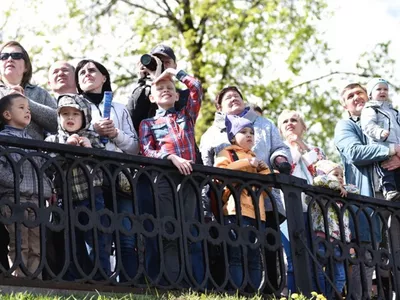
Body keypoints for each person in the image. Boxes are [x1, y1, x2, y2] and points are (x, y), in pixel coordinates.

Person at [200, 86, 291, 290]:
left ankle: (267, 291)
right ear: (219, 107)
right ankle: (236, 289)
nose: (234, 98)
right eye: (228, 97)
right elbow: (208, 168)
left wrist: (278, 161)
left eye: (237, 96)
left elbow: (280, 148)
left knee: (263, 250)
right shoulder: (211, 135)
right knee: (234, 250)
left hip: (263, 204)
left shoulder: (264, 124)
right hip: (230, 204)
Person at [75, 59, 139, 281]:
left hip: (119, 175)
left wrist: (115, 134)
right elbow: (67, 135)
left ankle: (130, 284)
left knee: (126, 234)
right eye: (81, 72)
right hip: (89, 176)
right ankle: (99, 282)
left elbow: (134, 148)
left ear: (104, 77)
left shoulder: (120, 108)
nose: (87, 74)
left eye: (92, 70)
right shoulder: (73, 106)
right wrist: (93, 129)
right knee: (96, 232)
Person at [334, 82, 400, 299]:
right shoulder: (347, 126)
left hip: (393, 196)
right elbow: (355, 152)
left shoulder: (387, 120)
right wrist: (391, 150)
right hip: (366, 201)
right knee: (366, 258)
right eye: (350, 96)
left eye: (360, 93)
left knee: (395, 256)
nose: (356, 97)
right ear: (345, 105)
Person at [139, 67, 203, 283]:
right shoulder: (148, 123)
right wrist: (170, 157)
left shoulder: (186, 116)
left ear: (177, 95)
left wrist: (174, 72)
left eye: (170, 88)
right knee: (168, 229)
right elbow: (147, 149)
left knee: (188, 229)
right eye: (160, 88)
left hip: (189, 179)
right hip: (164, 179)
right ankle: (171, 281)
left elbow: (196, 88)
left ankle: (189, 282)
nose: (166, 90)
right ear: (152, 97)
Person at [45, 94, 111, 280]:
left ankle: (100, 277)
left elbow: (103, 167)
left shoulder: (93, 138)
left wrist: (90, 151)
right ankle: (74, 278)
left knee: (96, 237)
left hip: (92, 196)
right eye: (65, 114)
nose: (70, 117)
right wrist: (66, 149)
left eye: (75, 113)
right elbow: (48, 167)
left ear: (85, 117)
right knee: (70, 240)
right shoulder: (53, 140)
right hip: (64, 199)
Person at [214, 114, 270, 289]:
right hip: (235, 210)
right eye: (243, 132)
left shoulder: (256, 157)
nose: (249, 135)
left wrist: (264, 169)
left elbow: (266, 188)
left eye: (252, 132)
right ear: (232, 137)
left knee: (254, 254)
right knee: (236, 252)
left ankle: (252, 291)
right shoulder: (227, 153)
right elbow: (221, 173)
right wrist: (247, 163)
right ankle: (237, 290)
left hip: (257, 213)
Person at [0, 93, 53, 278]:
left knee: (36, 244)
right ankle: (20, 279)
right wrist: (17, 181)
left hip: (36, 198)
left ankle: (35, 280)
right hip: (15, 198)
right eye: (21, 108)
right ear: (7, 114)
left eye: (29, 109)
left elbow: (42, 167)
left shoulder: (34, 141)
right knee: (20, 242)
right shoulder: (3, 140)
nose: (27, 112)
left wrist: (46, 187)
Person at [277, 109, 326, 293]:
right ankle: (296, 295)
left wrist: (302, 146)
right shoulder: (280, 151)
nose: (289, 123)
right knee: (293, 257)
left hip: (313, 211)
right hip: (288, 208)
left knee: (315, 258)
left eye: (294, 120)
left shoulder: (315, 150)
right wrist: (294, 151)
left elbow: (322, 171)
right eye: (285, 121)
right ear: (280, 129)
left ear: (303, 126)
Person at [310, 160, 357, 296]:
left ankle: (331, 297)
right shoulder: (321, 190)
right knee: (319, 271)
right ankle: (321, 296)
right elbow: (318, 180)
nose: (340, 178)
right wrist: (336, 185)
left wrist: (340, 187)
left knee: (340, 275)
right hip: (323, 237)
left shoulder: (343, 192)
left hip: (340, 242)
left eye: (342, 175)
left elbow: (355, 189)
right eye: (336, 174)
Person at [0, 41, 57, 140]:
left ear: (26, 66)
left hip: (34, 154)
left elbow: (58, 123)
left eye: (16, 56)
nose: (10, 59)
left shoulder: (40, 93)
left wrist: (25, 102)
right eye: (4, 56)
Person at [360, 78, 400, 201]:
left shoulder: (394, 112)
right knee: (385, 169)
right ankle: (388, 190)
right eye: (379, 89)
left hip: (396, 145)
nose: (383, 91)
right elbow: (368, 125)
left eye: (385, 89)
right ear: (370, 94)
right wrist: (380, 132)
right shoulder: (371, 109)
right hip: (381, 145)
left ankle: (396, 190)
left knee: (396, 171)